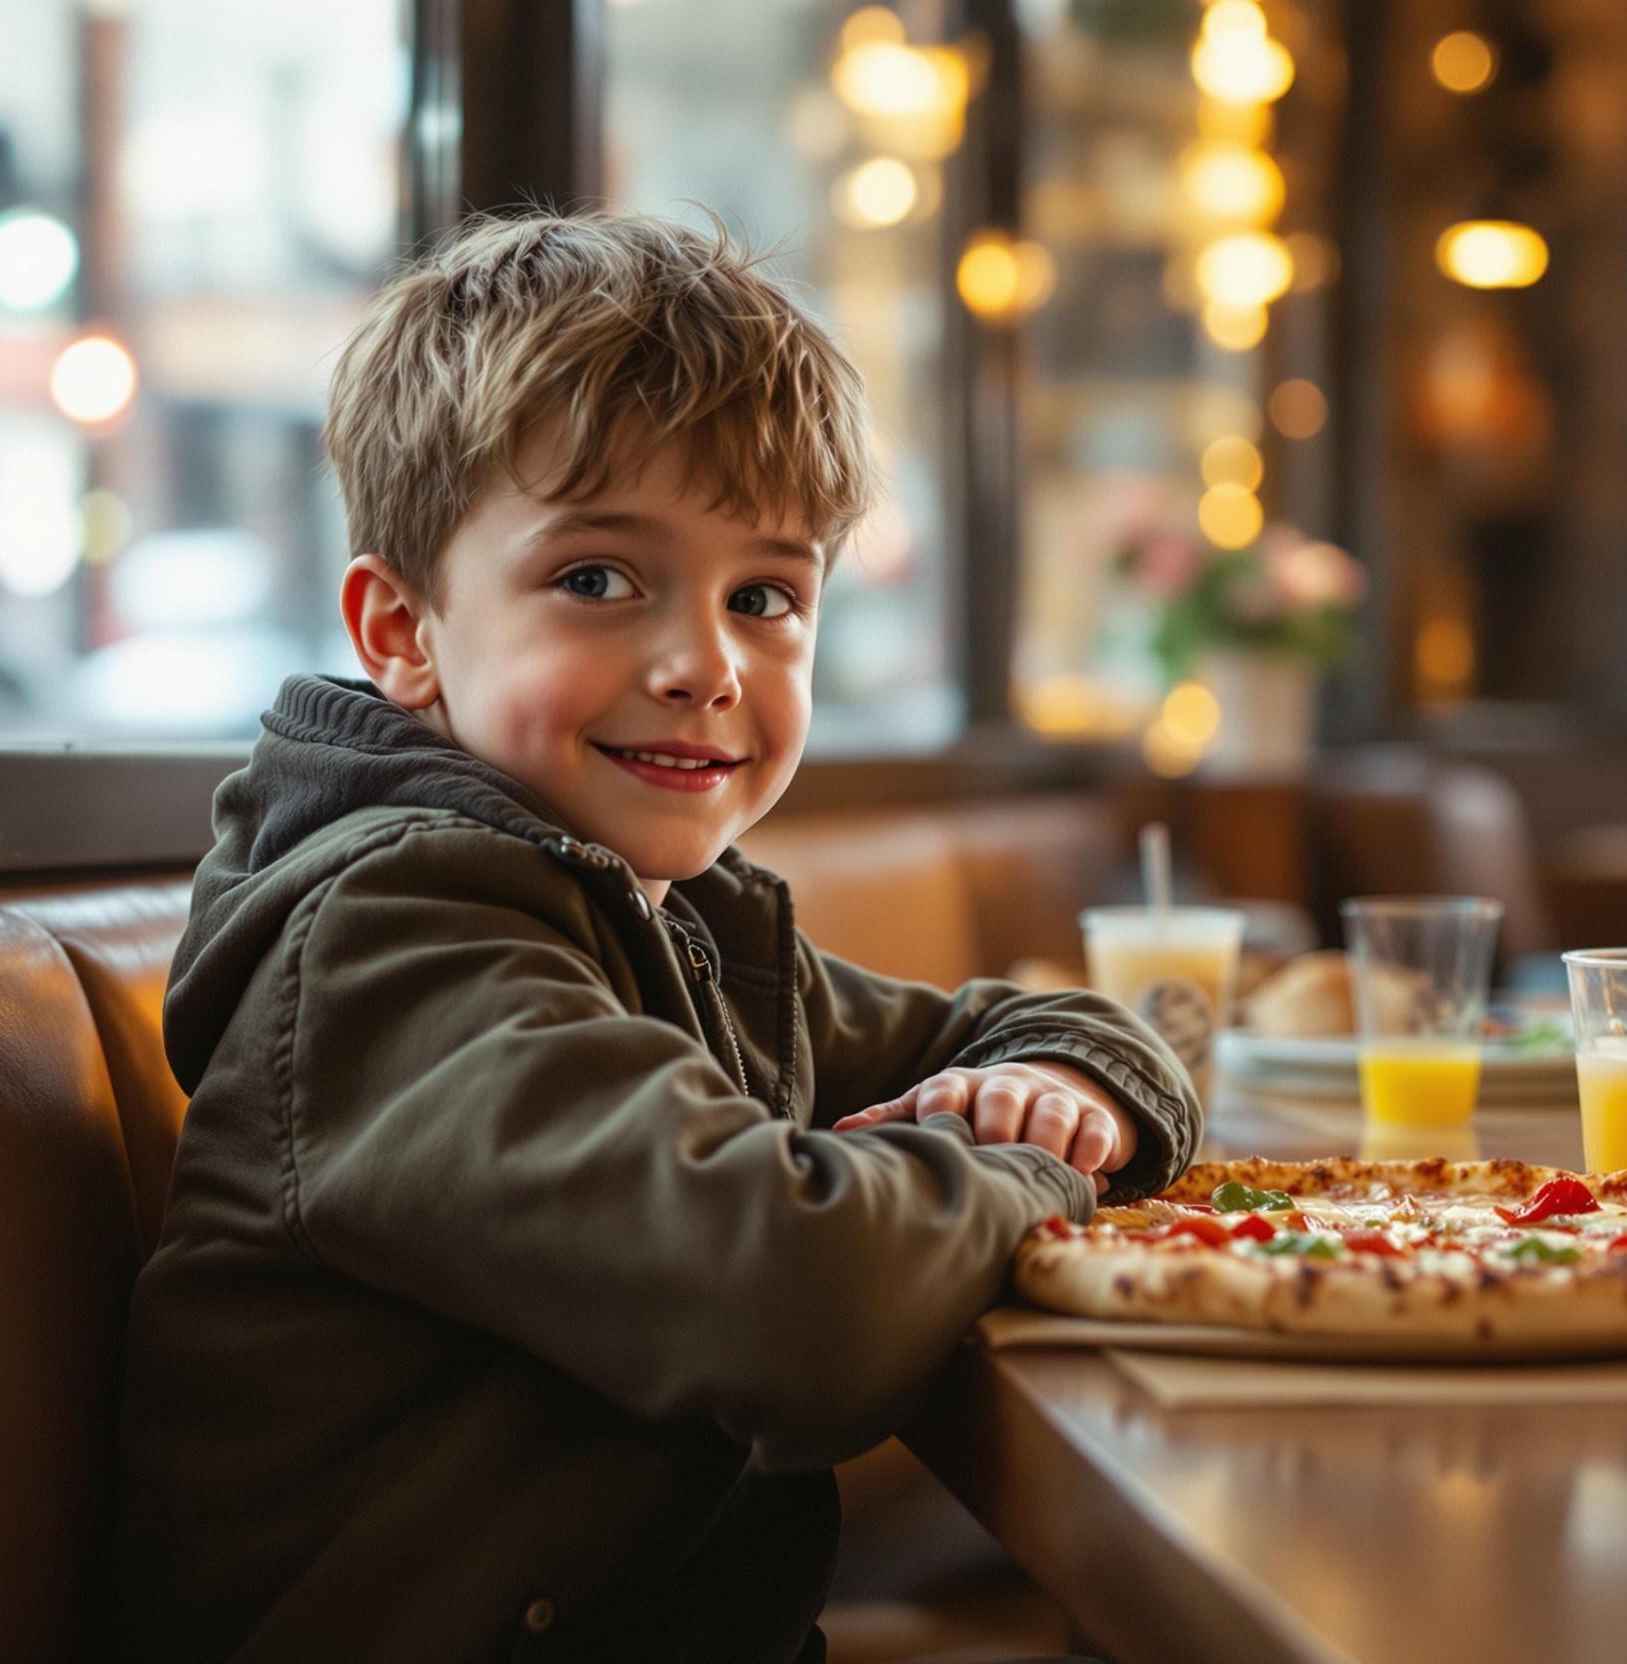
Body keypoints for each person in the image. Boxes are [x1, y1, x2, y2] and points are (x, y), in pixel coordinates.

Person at [114, 209, 1197, 1663]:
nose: (704, 666)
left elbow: (1017, 1031)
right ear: (401, 630)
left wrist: (1080, 1088)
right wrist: (1026, 1166)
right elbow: (803, 1302)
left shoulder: (667, 916)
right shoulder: (393, 941)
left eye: (766, 597)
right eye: (598, 580)